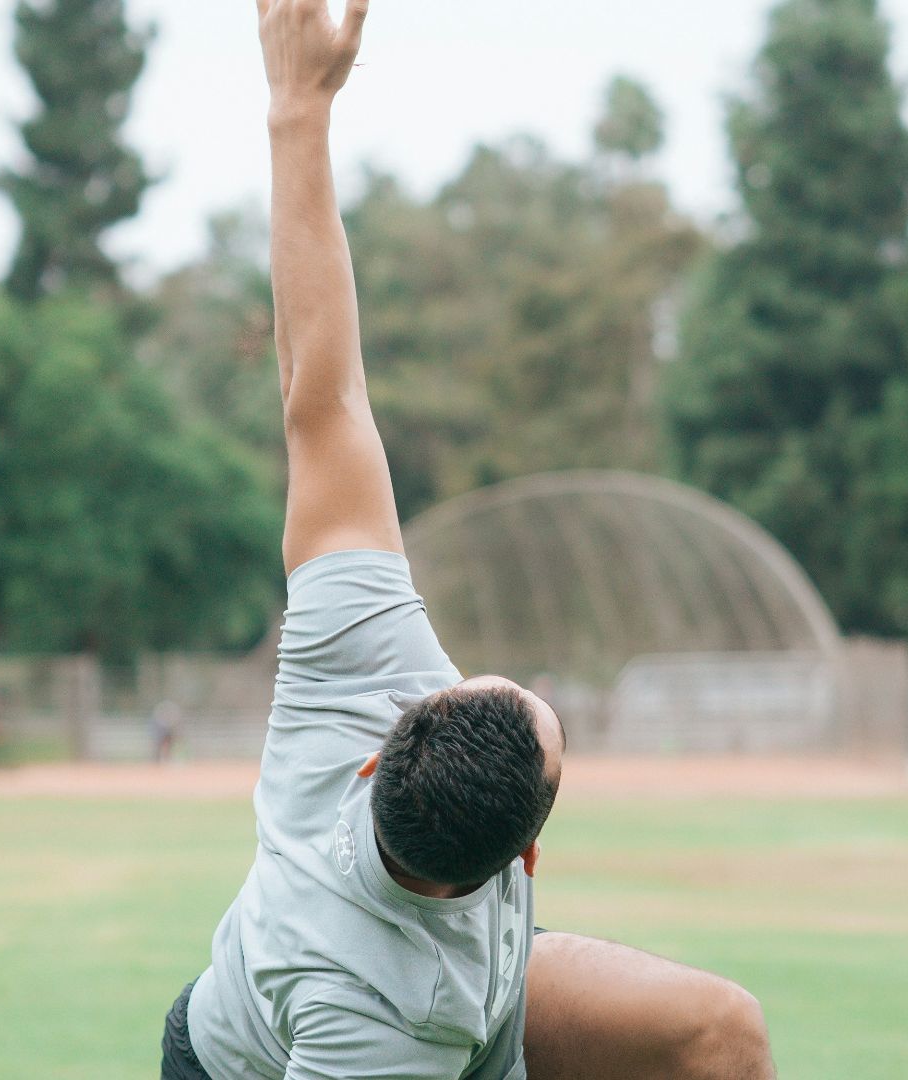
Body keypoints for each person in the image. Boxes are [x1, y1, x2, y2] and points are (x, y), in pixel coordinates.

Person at [161, 3, 776, 1077]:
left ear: (385, 743)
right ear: (526, 856)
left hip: (467, 993)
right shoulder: (368, 1025)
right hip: (297, 1045)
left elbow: (323, 399)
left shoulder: (356, 670)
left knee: (719, 1035)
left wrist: (298, 111)